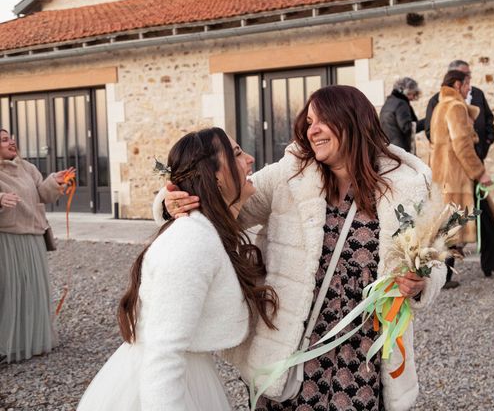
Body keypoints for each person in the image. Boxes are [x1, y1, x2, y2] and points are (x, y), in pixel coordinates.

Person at [158, 85, 446, 411]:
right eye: (309, 122)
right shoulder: (291, 175)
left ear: (353, 121)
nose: (313, 130)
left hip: (362, 356)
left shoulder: (404, 185)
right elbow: (225, 201)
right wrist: (173, 203)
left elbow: (433, 256)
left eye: (323, 120)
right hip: (293, 354)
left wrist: (422, 282)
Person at [78, 128, 278, 410]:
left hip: (191, 373)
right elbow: (163, 356)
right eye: (236, 153)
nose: (250, 158)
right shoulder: (191, 242)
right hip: (164, 386)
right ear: (215, 176)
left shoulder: (209, 234)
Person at [0, 129, 73, 363]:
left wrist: (54, 181)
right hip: (7, 239)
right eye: (4, 140)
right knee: (8, 292)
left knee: (31, 291)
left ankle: (30, 342)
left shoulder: (28, 168)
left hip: (32, 237)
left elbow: (42, 194)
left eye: (10, 137)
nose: (12, 141)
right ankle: (5, 345)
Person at [429, 71, 494, 286]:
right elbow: (462, 145)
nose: (469, 89)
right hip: (458, 176)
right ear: (457, 84)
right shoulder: (455, 107)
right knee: (451, 228)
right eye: (467, 84)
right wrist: (479, 172)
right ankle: (442, 278)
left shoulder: (439, 106)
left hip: (447, 174)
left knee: (483, 215)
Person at [425, 60, 494, 161]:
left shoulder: (478, 94)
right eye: (465, 74)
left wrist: (488, 140)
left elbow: (488, 117)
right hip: (451, 160)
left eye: (469, 73)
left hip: (477, 155)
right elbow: (430, 131)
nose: (469, 77)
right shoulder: (436, 101)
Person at [379, 76, 426, 153]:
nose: (413, 97)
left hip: (389, 148)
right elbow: (407, 127)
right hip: (400, 150)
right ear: (407, 91)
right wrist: (426, 121)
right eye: (413, 94)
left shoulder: (388, 103)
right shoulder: (401, 104)